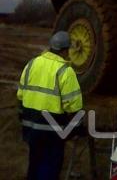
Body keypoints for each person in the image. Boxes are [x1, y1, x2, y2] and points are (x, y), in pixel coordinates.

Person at [17, 30, 83, 180]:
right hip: (52, 132)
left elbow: (21, 95)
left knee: (34, 165)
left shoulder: (32, 64)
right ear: (66, 50)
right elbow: (74, 107)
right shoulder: (65, 71)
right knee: (49, 168)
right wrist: (76, 128)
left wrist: (24, 119)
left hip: (31, 128)